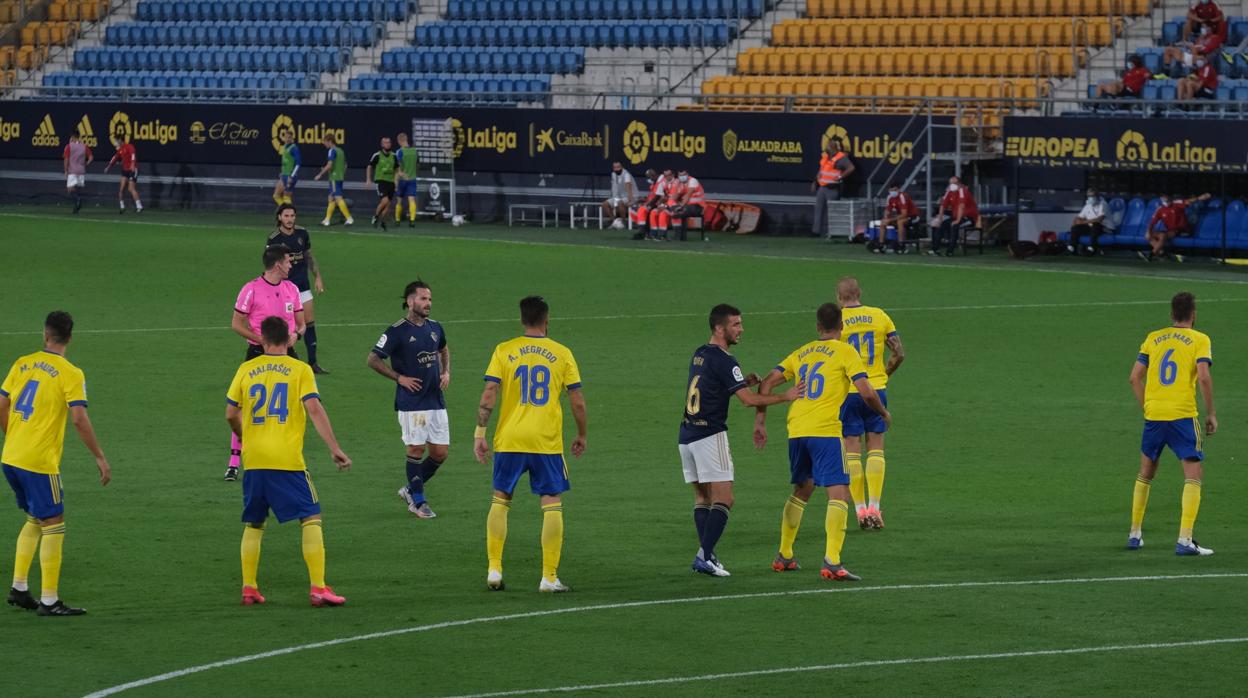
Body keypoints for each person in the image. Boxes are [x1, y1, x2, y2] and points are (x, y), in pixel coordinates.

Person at [754, 303, 889, 580]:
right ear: (842, 326)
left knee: (802, 489)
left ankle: (785, 555)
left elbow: (766, 383)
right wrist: (883, 412)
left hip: (796, 430)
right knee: (838, 493)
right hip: (825, 431)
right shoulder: (845, 351)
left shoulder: (802, 352)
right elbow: (865, 391)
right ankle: (832, 562)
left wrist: (760, 421)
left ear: (817, 327)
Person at [226, 316, 352, 607]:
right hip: (287, 460)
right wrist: (334, 447)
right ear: (288, 339)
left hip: (254, 459)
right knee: (311, 516)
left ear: (263, 340)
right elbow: (314, 409)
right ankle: (319, 588)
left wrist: (243, 436)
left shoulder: (246, 369)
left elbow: (230, 414)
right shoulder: (300, 370)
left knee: (254, 522)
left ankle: (249, 588)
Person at [680, 304, 803, 578]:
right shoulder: (726, 360)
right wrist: (786, 396)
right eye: (736, 324)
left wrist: (739, 382)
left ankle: (708, 555)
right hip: (710, 435)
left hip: (687, 435)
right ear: (719, 328)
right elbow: (748, 401)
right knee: (725, 499)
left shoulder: (700, 354)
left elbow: (711, 388)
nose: (741, 329)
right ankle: (703, 556)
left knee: (703, 497)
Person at [474, 296, 587, 593]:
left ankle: (494, 570)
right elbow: (577, 400)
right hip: (545, 442)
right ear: (547, 320)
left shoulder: (504, 350)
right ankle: (549, 577)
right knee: (551, 503)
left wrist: (479, 433)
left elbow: (489, 393)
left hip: (509, 439)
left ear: (522, 319)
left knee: (501, 499)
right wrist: (581, 434)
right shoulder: (562, 353)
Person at [1, 311, 111, 616]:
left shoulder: (22, 362)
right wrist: (100, 456)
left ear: (44, 334)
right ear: (70, 338)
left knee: (35, 518)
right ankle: (49, 601)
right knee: (54, 522)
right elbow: (78, 417)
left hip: (11, 456)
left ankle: (19, 588)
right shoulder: (70, 372)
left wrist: (13, 436)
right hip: (39, 462)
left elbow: (2, 403)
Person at [1126, 292, 1216, 556]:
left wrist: (1149, 408)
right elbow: (1203, 376)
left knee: (1145, 473)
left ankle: (1134, 534)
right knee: (1193, 475)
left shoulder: (1154, 338)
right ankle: (1185, 540)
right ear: (1193, 314)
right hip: (1183, 416)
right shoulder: (1200, 339)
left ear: (1171, 315)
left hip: (1154, 417)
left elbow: (1134, 378)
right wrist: (1211, 413)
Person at [368, 280, 451, 520]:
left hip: (436, 400)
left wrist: (446, 372)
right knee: (416, 448)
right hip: (411, 401)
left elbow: (444, 349)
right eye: (423, 299)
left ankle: (410, 489)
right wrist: (399, 378)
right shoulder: (396, 331)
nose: (428, 304)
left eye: (430, 299)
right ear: (409, 301)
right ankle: (419, 501)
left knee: (440, 453)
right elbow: (373, 359)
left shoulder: (435, 327)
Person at [225, 244, 307, 482]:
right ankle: (234, 462)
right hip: (258, 353)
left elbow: (302, 323)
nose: (292, 264)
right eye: (289, 261)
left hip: (287, 354)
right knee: (242, 405)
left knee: (300, 402)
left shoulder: (292, 288)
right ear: (278, 263)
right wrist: (262, 340)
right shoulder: (251, 289)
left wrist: (297, 335)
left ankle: (290, 454)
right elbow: (236, 324)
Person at [833, 277, 903, 529]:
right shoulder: (880, 316)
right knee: (876, 449)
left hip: (848, 392)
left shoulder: (837, 322)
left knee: (852, 449)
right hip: (877, 388)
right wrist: (884, 375)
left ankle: (861, 511)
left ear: (839, 297)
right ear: (860, 292)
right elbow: (899, 353)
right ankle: (875, 507)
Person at [267, 204, 328, 374]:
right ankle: (281, 358)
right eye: (286, 216)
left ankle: (313, 363)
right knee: (283, 325)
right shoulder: (274, 238)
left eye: (292, 215)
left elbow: (309, 256)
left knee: (309, 323)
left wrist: (317, 277)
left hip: (302, 287)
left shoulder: (302, 233)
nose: (290, 219)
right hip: (283, 290)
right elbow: (270, 264)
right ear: (280, 217)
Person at [1140, 193, 1212, 262]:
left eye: (1166, 196)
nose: (1165, 198)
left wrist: (1199, 198)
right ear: (1161, 198)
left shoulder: (1176, 203)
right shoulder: (1160, 209)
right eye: (1163, 197)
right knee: (1148, 236)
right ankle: (1161, 253)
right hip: (1170, 231)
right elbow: (1152, 222)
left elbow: (1188, 202)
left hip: (1182, 230)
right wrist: (1148, 231)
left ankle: (1151, 254)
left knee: (1162, 236)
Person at [811, 139, 854, 236]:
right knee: (818, 209)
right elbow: (821, 170)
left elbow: (851, 168)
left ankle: (832, 232)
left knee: (832, 211)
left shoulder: (841, 158)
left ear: (833, 148)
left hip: (832, 188)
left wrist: (840, 177)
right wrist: (815, 182)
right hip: (822, 187)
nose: (826, 148)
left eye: (828, 146)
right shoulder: (826, 157)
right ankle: (816, 232)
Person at [930, 176, 978, 257]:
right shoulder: (949, 191)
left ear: (959, 184)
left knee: (954, 225)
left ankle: (950, 251)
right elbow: (943, 205)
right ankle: (935, 249)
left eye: (954, 183)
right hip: (956, 216)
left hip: (968, 217)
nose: (952, 185)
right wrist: (940, 218)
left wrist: (958, 220)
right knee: (940, 225)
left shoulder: (963, 191)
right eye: (951, 183)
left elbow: (961, 206)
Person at [314, 134, 352, 227]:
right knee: (331, 198)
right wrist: (341, 173)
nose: (325, 145)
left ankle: (349, 218)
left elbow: (330, 165)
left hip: (334, 178)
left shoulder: (332, 150)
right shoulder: (341, 150)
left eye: (325, 142)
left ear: (330, 141)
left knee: (338, 198)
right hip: (339, 177)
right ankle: (327, 220)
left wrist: (320, 174)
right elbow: (345, 165)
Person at [102, 134, 142, 214]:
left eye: (116, 140)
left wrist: (133, 164)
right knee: (121, 189)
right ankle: (122, 207)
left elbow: (133, 155)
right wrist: (108, 167)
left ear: (120, 139)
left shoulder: (129, 146)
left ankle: (139, 206)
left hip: (133, 170)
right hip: (125, 171)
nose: (115, 142)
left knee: (131, 188)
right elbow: (114, 158)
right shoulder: (120, 149)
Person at [365, 136, 397, 230]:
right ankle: (376, 216)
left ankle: (383, 222)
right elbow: (369, 166)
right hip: (381, 181)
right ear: (382, 144)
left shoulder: (394, 156)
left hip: (391, 182)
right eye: (386, 143)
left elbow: (397, 168)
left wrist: (396, 180)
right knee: (385, 201)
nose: (388, 144)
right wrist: (368, 179)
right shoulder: (377, 155)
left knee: (387, 205)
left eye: (389, 142)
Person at [877, 182, 918, 254]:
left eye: (895, 190)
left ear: (898, 190)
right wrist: (886, 217)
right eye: (891, 190)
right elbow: (887, 210)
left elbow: (904, 214)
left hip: (912, 216)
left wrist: (890, 219)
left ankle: (901, 245)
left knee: (900, 222)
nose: (893, 192)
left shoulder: (903, 196)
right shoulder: (890, 197)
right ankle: (881, 245)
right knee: (883, 222)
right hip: (900, 216)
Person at [669, 169, 705, 241]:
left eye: (684, 175)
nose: (682, 177)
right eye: (680, 175)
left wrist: (680, 206)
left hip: (698, 207)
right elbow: (675, 197)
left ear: (687, 175)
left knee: (678, 212)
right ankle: (680, 237)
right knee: (674, 211)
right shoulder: (680, 183)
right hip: (688, 206)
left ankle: (678, 236)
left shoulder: (693, 181)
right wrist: (675, 188)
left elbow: (687, 195)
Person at [1069, 189, 1108, 255]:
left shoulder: (1103, 204)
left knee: (1095, 225)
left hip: (1104, 228)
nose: (1090, 198)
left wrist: (1082, 222)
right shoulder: (1088, 205)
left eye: (1092, 196)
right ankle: (1072, 247)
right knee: (1075, 228)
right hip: (1091, 227)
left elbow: (1100, 219)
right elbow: (1078, 217)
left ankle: (1092, 247)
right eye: (1089, 196)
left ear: (1097, 196)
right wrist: (1074, 223)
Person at [630, 168, 666, 240]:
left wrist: (647, 204)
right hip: (653, 203)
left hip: (660, 203)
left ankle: (642, 232)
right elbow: (652, 196)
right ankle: (644, 231)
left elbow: (658, 196)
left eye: (649, 177)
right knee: (633, 208)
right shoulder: (654, 183)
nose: (649, 179)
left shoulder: (661, 181)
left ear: (653, 175)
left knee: (642, 209)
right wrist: (644, 199)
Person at [62, 131, 93, 215]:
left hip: (72, 170)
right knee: (78, 189)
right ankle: (76, 208)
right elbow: (91, 157)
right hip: (81, 171)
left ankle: (78, 200)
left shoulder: (69, 146)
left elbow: (66, 159)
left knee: (70, 189)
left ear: (72, 137)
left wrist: (65, 170)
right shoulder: (84, 146)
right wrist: (86, 164)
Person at [394, 132, 420, 228]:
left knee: (399, 200)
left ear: (399, 141)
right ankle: (412, 221)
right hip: (412, 178)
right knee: (411, 199)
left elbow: (397, 166)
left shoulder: (400, 151)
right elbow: (418, 165)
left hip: (402, 179)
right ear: (406, 139)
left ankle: (397, 220)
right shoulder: (415, 151)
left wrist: (397, 179)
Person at [272, 127, 300, 209]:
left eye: (289, 137)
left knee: (286, 197)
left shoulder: (294, 148)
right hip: (284, 175)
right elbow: (286, 163)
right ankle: (285, 211)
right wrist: (282, 172)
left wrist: (292, 176)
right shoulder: (285, 147)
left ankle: (290, 216)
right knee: (276, 195)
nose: (287, 139)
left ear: (292, 138)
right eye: (286, 137)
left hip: (290, 176)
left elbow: (298, 163)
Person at [648, 168, 679, 241]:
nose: (667, 177)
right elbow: (659, 197)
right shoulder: (662, 183)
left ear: (673, 175)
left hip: (674, 206)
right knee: (653, 212)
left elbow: (674, 198)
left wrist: (663, 204)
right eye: (665, 175)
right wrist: (659, 205)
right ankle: (653, 234)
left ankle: (662, 235)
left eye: (669, 175)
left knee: (663, 213)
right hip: (665, 205)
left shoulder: (677, 182)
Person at [603, 161, 635, 229]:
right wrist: (614, 200)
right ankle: (615, 222)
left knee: (620, 203)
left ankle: (623, 223)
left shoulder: (626, 174)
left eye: (618, 167)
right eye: (615, 167)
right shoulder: (613, 174)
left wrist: (631, 200)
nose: (616, 169)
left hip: (629, 196)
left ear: (622, 167)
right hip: (618, 196)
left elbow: (628, 187)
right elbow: (614, 188)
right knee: (605, 204)